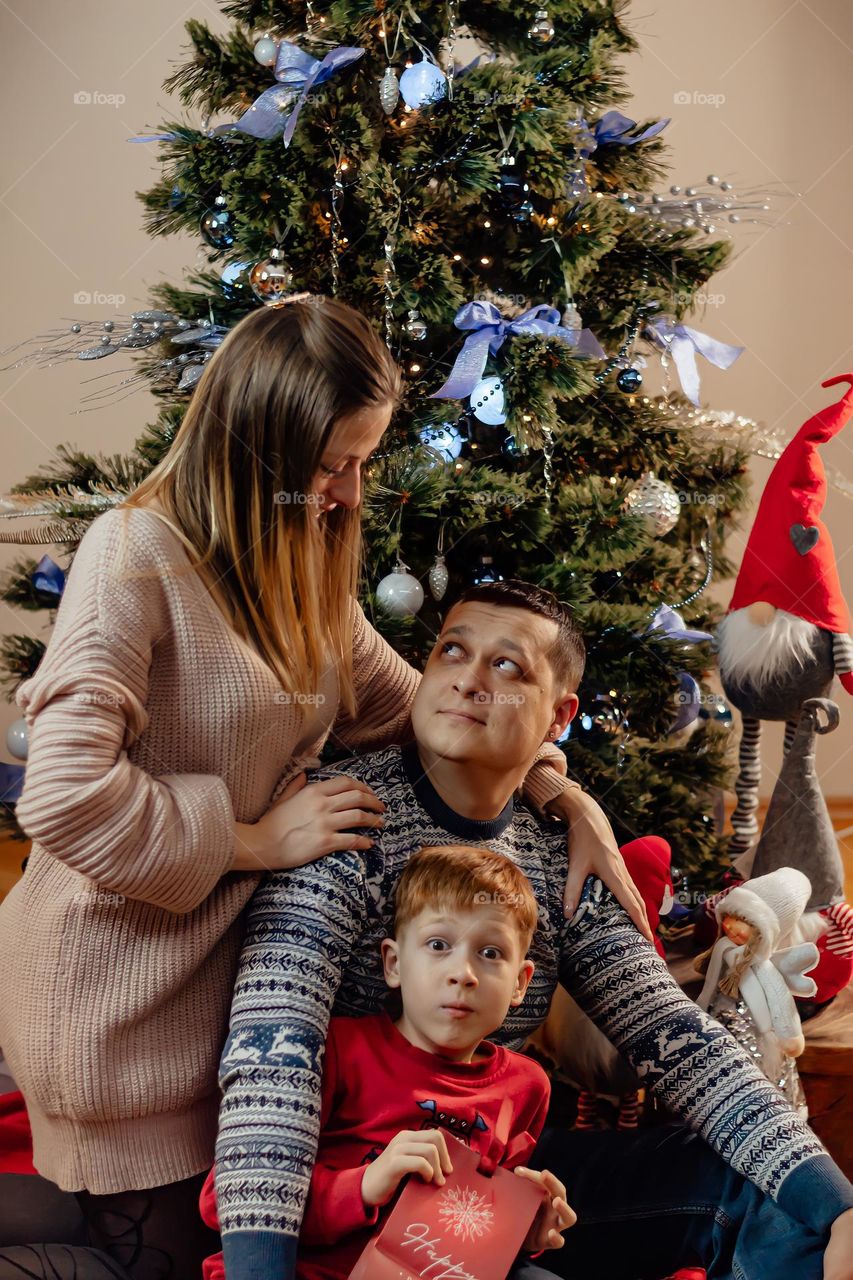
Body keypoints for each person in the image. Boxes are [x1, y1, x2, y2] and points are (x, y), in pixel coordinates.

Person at [0, 299, 644, 1280]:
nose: (347, 491)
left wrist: (558, 784)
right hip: (110, 1000)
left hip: (198, 1000)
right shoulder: (132, 554)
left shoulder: (296, 557)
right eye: (330, 462)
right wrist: (256, 838)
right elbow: (63, 793)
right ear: (250, 446)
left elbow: (417, 708)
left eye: (361, 460)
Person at [214, 578, 853, 1280]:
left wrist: (841, 1206)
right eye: (451, 652)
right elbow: (271, 1063)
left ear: (559, 715)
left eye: (507, 666)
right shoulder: (340, 824)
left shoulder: (557, 854)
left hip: (488, 1192)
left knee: (775, 1197)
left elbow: (677, 1042)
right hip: (342, 1203)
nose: (467, 680)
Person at [199, 845, 577, 1280]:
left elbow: (473, 1241)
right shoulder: (335, 1050)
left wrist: (524, 1230)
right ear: (394, 964)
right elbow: (224, 1199)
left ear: (520, 983)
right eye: (438, 944)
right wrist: (364, 1184)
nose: (464, 973)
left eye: (490, 954)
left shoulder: (526, 1086)